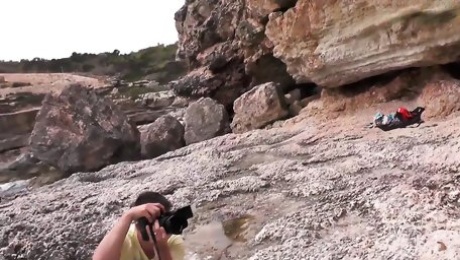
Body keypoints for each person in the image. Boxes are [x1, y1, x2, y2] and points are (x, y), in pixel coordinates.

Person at [92, 191, 186, 260]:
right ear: (138, 226)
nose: (160, 227)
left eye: (164, 219)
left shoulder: (173, 241)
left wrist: (162, 247)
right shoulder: (124, 240)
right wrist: (128, 215)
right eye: (154, 221)